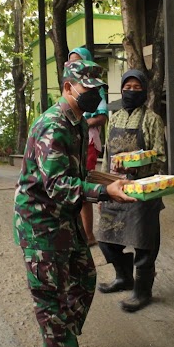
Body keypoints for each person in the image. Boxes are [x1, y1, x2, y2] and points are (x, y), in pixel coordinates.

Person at [14, 60, 134, 347]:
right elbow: (58, 184)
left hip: (62, 217)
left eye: (97, 89)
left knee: (83, 279)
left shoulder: (77, 122)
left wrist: (113, 180)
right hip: (40, 222)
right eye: (87, 89)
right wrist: (104, 192)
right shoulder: (53, 126)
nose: (94, 94)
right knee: (50, 295)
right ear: (68, 88)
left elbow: (79, 172)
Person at [95, 69, 167, 312]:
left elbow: (161, 157)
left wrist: (137, 164)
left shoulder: (152, 119)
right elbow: (107, 155)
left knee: (143, 242)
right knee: (105, 238)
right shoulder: (113, 119)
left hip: (142, 190)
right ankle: (124, 276)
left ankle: (142, 290)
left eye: (137, 88)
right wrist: (103, 188)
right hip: (115, 187)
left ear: (145, 92)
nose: (131, 92)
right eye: (128, 87)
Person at [67, 47, 109, 246]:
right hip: (71, 141)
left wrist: (83, 124)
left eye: (78, 63)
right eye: (71, 63)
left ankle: (88, 234)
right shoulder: (56, 125)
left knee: (84, 184)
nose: (74, 67)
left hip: (89, 142)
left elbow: (102, 116)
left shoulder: (94, 92)